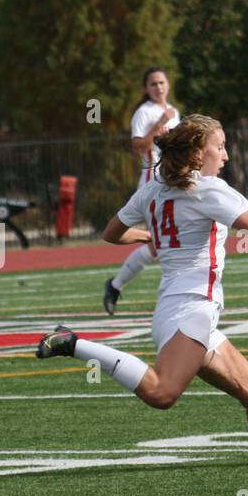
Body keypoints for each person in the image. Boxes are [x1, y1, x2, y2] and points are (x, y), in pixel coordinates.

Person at [36, 114, 248, 478]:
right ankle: (74, 343)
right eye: (220, 146)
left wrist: (151, 238)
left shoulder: (153, 189)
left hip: (182, 308)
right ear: (197, 151)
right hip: (190, 308)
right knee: (162, 393)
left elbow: (112, 233)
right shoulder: (206, 188)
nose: (224, 156)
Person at [102, 67, 182, 315]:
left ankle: (115, 285)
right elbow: (138, 146)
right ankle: (117, 284)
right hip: (153, 181)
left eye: (161, 82)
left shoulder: (175, 112)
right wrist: (159, 123)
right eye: (153, 84)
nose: (158, 87)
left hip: (174, 181)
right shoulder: (144, 113)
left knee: (166, 242)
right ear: (145, 89)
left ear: (168, 85)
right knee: (162, 242)